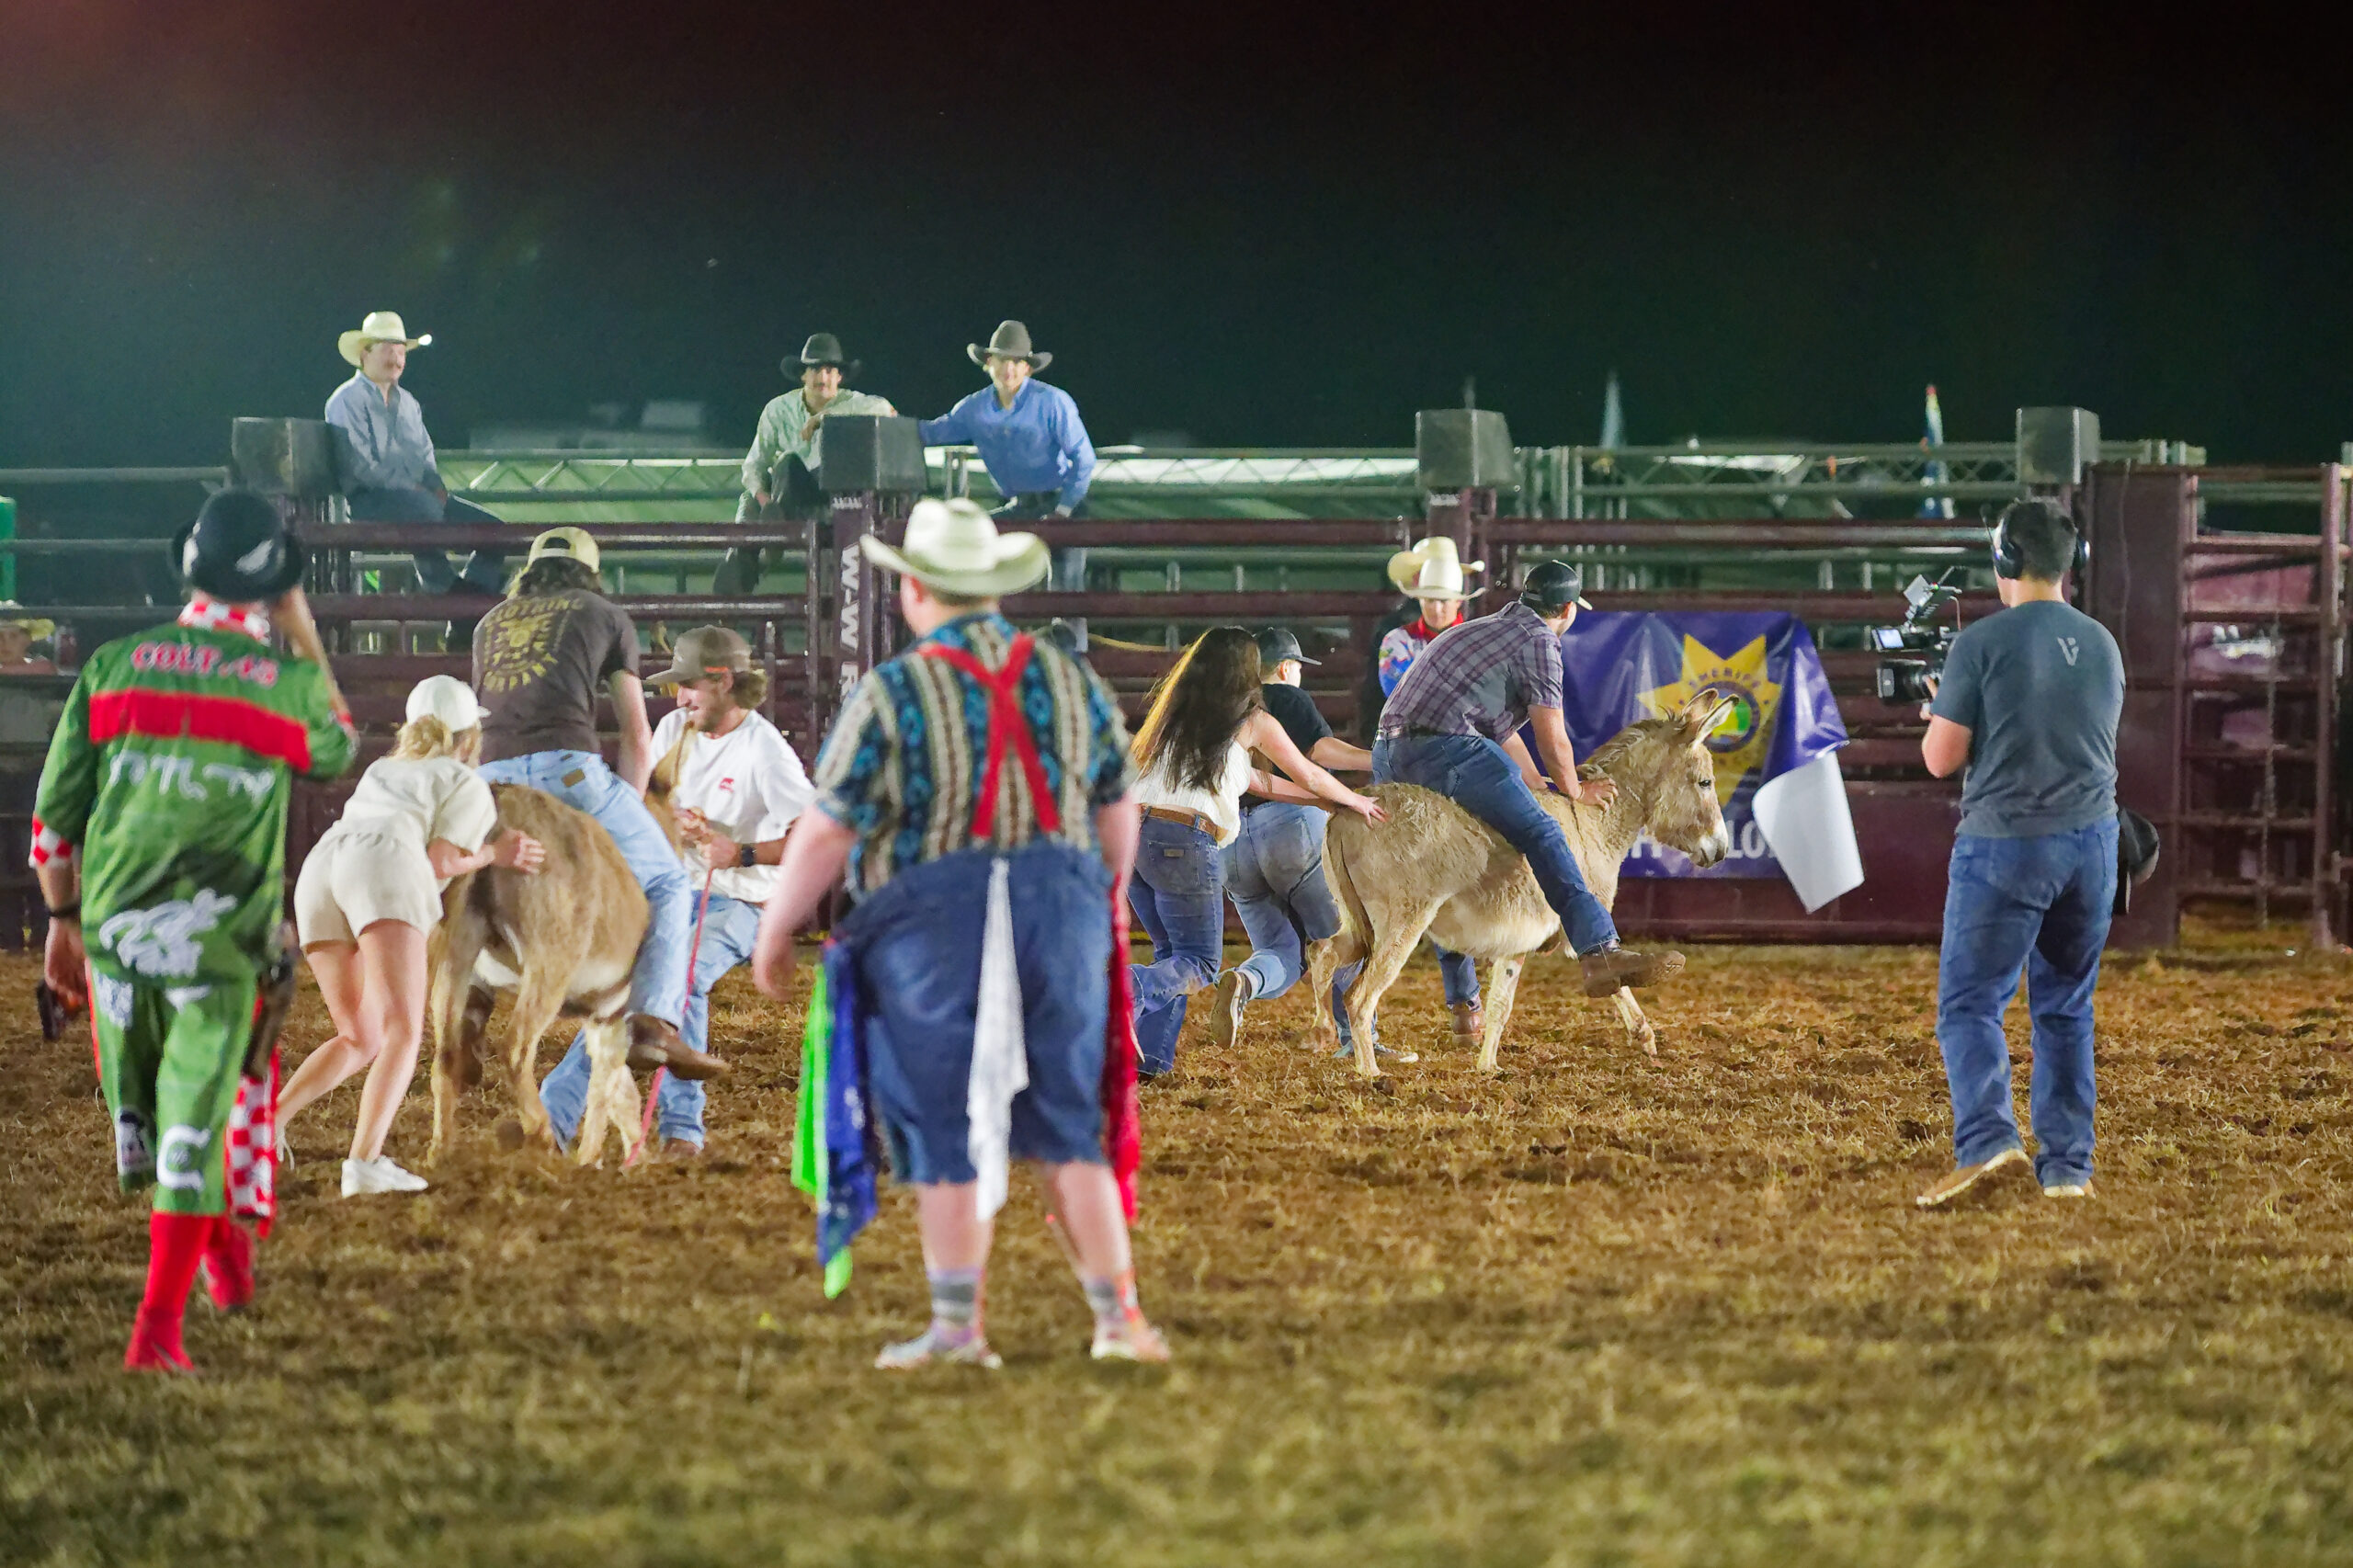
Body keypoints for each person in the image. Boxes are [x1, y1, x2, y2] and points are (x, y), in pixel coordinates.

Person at [750, 496, 1167, 1367]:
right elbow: (1118, 800)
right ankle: (1118, 1321)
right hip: (1058, 906)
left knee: (942, 1116)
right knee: (1065, 1119)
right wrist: (1107, 895)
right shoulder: (1066, 676)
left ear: (916, 593)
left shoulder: (896, 688)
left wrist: (778, 926)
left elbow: (830, 825)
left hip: (930, 919)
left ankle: (956, 1328)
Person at [31, 488, 357, 1371]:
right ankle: (155, 1333)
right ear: (274, 585)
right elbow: (336, 746)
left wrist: (62, 925)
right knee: (198, 1121)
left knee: (173, 1111)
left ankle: (229, 1269)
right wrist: (304, 628)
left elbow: (54, 822)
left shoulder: (113, 664)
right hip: (219, 939)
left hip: (114, 932)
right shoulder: (284, 684)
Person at [1915, 500, 2122, 1208]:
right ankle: (2067, 1169)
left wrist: (1942, 712)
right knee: (2065, 1006)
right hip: (2092, 845)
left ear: (2004, 559)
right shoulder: (2102, 642)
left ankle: (1989, 1141)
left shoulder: (1980, 643)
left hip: (2007, 843)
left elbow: (1942, 760)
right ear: (2074, 563)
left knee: (1970, 1003)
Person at [537, 627, 812, 1155]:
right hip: (674, 891)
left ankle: (681, 1128)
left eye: (689, 686)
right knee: (626, 989)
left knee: (681, 977)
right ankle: (557, 1115)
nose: (679, 698)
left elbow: (810, 834)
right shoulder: (671, 730)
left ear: (723, 681)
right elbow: (648, 805)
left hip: (742, 901)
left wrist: (742, 853)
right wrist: (669, 823)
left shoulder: (765, 751)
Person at [278, 676, 545, 1196]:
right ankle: (365, 1163)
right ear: (469, 738)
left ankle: (264, 1131)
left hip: (323, 870)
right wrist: (495, 854)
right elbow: (440, 861)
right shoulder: (465, 782)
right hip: (383, 868)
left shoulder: (386, 768)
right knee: (403, 1029)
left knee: (360, 1034)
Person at [1377, 560, 1684, 999]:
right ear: (1566, 608)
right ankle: (1599, 950)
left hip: (1388, 753)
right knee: (1543, 832)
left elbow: (1501, 731)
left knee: (1442, 866)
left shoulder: (1485, 628)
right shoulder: (1540, 641)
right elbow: (1551, 731)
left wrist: (1535, 781)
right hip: (1443, 750)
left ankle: (1464, 1005)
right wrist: (1573, 789)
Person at [471, 528, 710, 1080]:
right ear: (589, 571)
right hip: (568, 770)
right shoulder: (604, 614)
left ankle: (469, 995)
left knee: (459, 876)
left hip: (489, 777)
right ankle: (653, 1022)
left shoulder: (489, 624)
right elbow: (637, 736)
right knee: (671, 883)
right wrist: (624, 810)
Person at [1128, 627, 1384, 1077]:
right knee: (1200, 962)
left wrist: (1320, 800)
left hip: (1137, 835)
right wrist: (1354, 800)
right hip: (1185, 839)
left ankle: (1151, 1059)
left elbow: (1256, 781)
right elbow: (1308, 771)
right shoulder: (1252, 720)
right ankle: (1127, 990)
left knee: (1171, 952)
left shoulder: (1175, 717)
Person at [1206, 628, 1374, 1051]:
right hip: (1291, 829)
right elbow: (1320, 754)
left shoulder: (1224, 708)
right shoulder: (1287, 697)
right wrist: (1378, 759)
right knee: (1342, 935)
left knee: (1278, 949)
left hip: (1232, 844)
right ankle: (1359, 1038)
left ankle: (1246, 980)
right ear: (1285, 667)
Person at [324, 311, 507, 605]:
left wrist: (435, 485)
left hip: (417, 498)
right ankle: (450, 591)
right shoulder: (345, 401)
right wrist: (417, 489)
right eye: (388, 350)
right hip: (370, 500)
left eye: (400, 352)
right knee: (425, 509)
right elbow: (359, 467)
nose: (396, 360)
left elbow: (425, 454)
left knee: (497, 531)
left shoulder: (408, 403)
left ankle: (465, 595)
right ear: (364, 354)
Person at [918, 321, 1096, 591]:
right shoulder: (974, 408)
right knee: (970, 549)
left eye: (1016, 361)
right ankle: (983, 623)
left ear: (1027, 367)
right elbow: (931, 433)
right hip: (1021, 508)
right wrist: (892, 422)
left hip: (1061, 506)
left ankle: (1062, 631)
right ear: (989, 362)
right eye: (1002, 359)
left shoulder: (1052, 402)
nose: (1009, 368)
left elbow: (1084, 459)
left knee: (1065, 592)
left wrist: (1064, 509)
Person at [720, 334, 897, 594]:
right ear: (803, 375)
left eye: (828, 370)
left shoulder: (852, 402)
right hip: (787, 500)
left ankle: (761, 553)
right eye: (815, 369)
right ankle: (741, 565)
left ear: (839, 377)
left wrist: (824, 418)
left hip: (832, 501)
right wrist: (765, 502)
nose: (822, 377)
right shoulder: (778, 409)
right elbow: (754, 465)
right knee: (762, 487)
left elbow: (886, 409)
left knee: (789, 464)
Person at [1376, 539, 1483, 699]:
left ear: (1458, 601)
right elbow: (1398, 694)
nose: (1436, 609)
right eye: (1430, 600)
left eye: (1444, 601)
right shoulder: (1398, 639)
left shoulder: (1478, 641)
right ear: (1419, 599)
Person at [0, 603, 58, 675]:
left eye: (13, 636)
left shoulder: (42, 669)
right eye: (0, 636)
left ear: (27, 640)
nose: (6, 643)